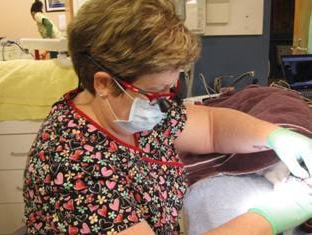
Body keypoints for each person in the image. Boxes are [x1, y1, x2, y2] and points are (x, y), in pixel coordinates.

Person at [23, 0, 312, 234]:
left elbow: (212, 127)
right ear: (104, 84)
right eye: (155, 90)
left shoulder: (137, 112)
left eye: (170, 88)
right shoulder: (72, 165)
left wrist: (275, 136)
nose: (165, 103)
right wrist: (269, 218)